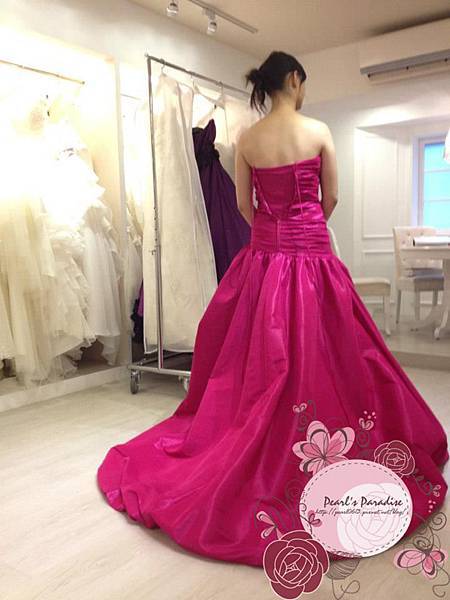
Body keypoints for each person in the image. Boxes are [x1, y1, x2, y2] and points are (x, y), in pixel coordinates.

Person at [97, 51, 448, 568]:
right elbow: (332, 198)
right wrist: (305, 226)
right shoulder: (318, 131)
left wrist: (275, 230)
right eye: (303, 83)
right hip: (312, 254)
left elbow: (245, 206)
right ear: (294, 80)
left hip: (263, 257)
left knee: (254, 355)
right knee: (337, 350)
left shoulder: (248, 139)